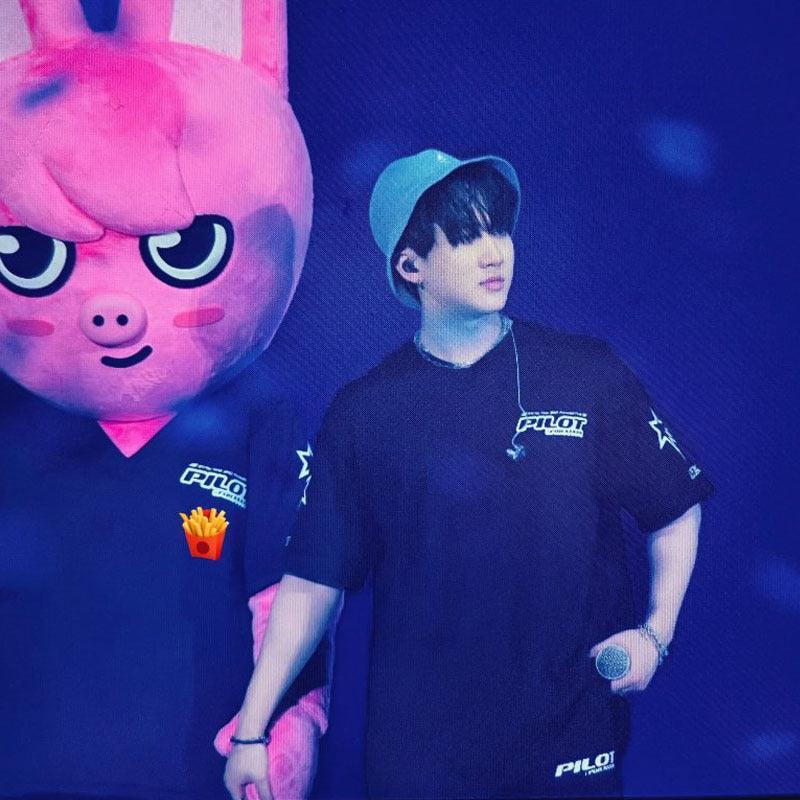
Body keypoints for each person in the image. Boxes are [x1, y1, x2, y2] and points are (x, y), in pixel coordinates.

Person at [224, 149, 714, 800]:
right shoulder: (365, 411)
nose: (493, 253)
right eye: (463, 236)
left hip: (570, 742)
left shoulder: (585, 372)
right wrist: (251, 732)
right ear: (411, 265)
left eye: (498, 229)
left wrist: (656, 633)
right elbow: (313, 584)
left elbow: (674, 502)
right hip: (420, 761)